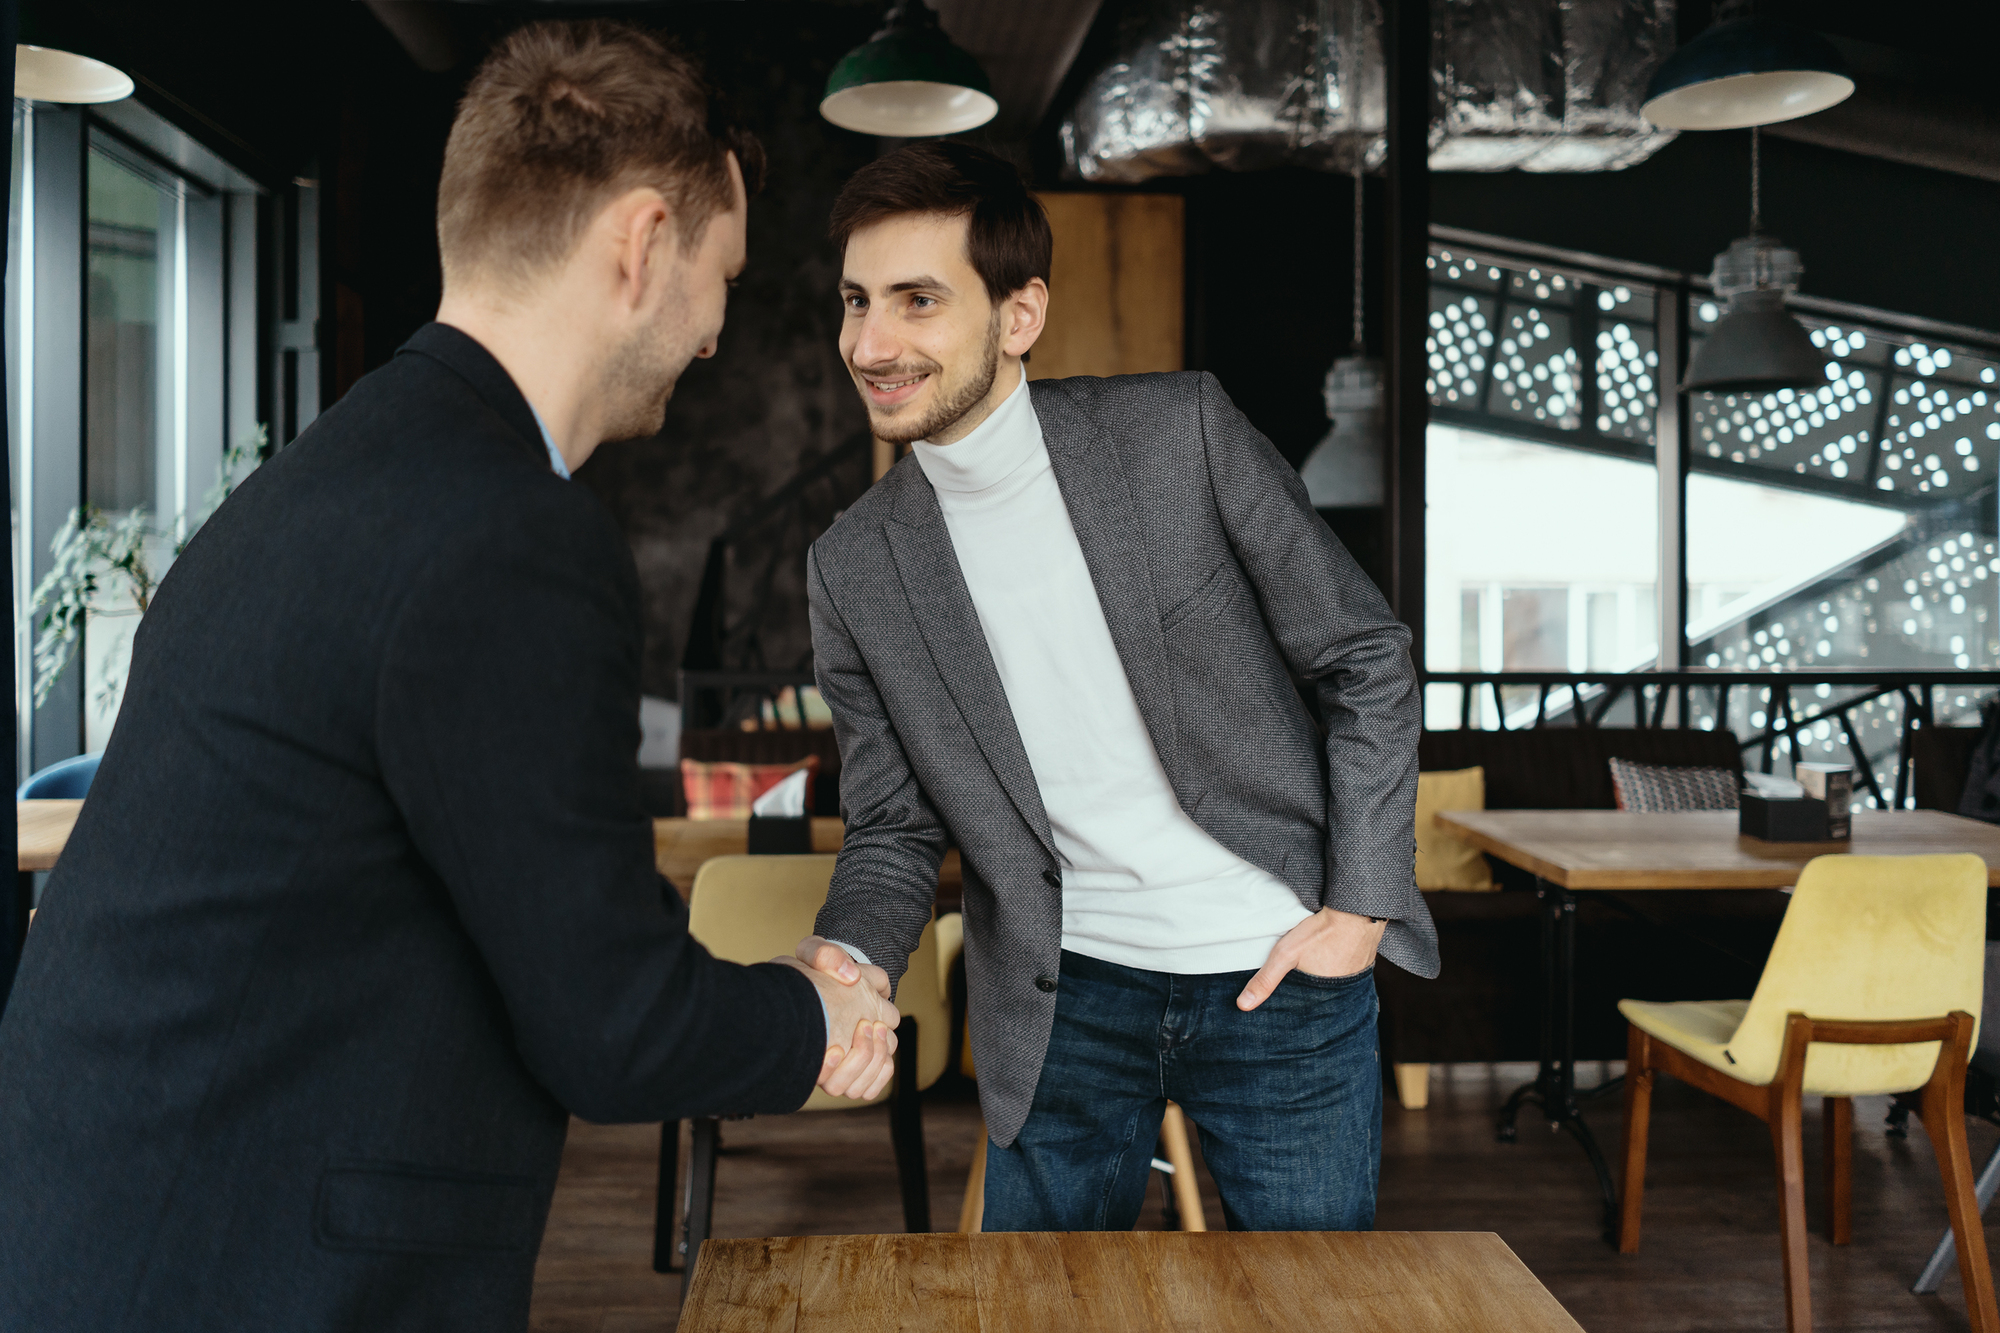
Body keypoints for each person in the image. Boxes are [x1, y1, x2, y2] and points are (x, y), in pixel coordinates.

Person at [0, 22, 896, 1333]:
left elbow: (504, 865)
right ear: (643, 245)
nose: (716, 334)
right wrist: (812, 1021)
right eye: (726, 277)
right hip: (232, 1273)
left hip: (118, 1235)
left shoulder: (334, 478)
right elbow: (614, 1030)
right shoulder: (508, 532)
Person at [795, 142, 1437, 1233]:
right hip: (1061, 995)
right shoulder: (851, 566)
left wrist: (1358, 907)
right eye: (856, 302)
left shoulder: (1175, 433)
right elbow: (893, 826)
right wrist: (850, 955)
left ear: (1018, 314)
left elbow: (1363, 655)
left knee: (1310, 1315)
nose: (869, 342)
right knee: (1039, 1313)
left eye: (916, 301)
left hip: (1276, 970)